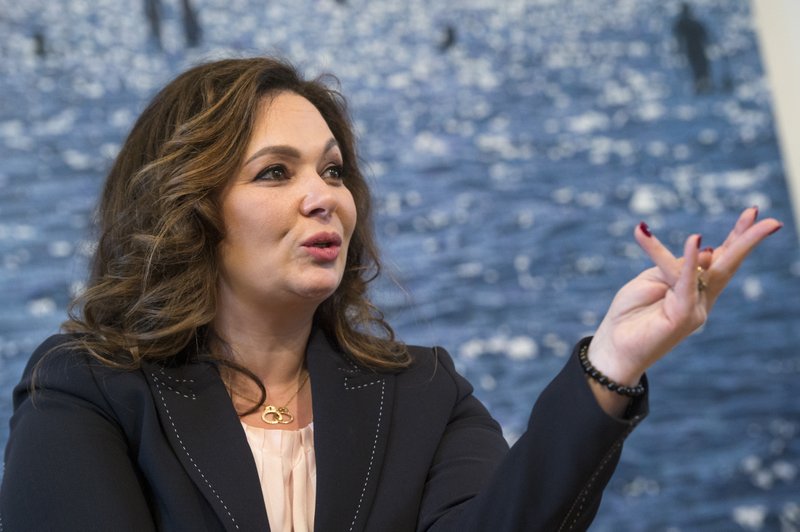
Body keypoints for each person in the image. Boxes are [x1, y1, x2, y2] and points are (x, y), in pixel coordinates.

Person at [0, 57, 782, 531]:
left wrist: (612, 360)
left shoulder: (422, 392)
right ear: (186, 208)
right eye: (277, 172)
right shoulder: (86, 389)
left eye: (333, 171)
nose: (325, 197)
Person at [673, 2, 712, 93]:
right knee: (700, 66)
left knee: (699, 66)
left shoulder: (684, 22)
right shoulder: (689, 22)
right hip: (695, 47)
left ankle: (702, 85)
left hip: (693, 47)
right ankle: (702, 85)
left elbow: (678, 34)